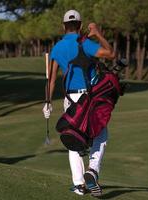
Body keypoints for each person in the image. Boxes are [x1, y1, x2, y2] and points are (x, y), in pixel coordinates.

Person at [42, 10, 115, 197]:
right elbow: (110, 54)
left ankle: (79, 185)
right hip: (90, 99)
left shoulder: (57, 48)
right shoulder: (85, 43)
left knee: (73, 137)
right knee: (101, 134)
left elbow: (50, 80)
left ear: (63, 26)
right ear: (81, 26)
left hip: (70, 100)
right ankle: (92, 171)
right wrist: (98, 33)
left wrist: (47, 103)